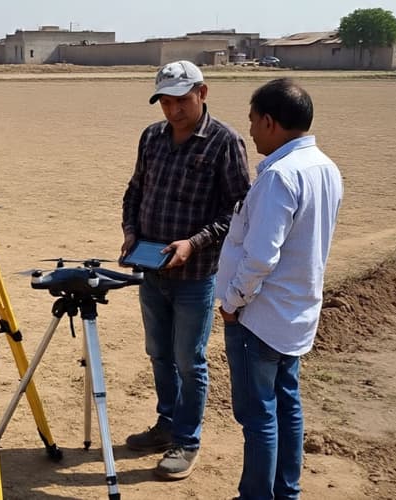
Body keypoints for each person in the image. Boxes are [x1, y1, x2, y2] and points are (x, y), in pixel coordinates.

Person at [120, 60, 251, 480]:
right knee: (159, 353)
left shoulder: (224, 141)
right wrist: (130, 233)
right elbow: (135, 190)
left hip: (195, 277)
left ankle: (187, 440)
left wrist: (193, 243)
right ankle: (166, 424)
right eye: (165, 102)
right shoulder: (152, 137)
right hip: (151, 271)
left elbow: (237, 211)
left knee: (188, 360)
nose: (173, 110)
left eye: (181, 100)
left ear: (202, 93)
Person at [215, 78, 343, 499]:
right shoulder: (325, 167)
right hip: (296, 313)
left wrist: (233, 302)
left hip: (260, 317)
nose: (250, 131)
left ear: (269, 122)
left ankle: (256, 495)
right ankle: (286, 492)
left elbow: (260, 257)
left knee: (258, 416)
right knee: (287, 406)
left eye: (253, 121)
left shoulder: (279, 177)